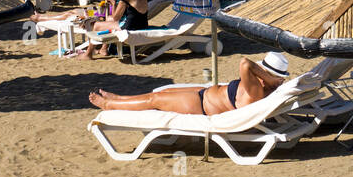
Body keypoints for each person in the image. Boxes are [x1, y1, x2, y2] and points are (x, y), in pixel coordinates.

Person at [89, 52, 289, 113]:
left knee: (155, 99)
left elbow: (244, 63)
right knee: (163, 92)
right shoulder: (260, 87)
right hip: (204, 93)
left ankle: (109, 105)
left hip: (201, 105)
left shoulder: (257, 91)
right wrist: (272, 79)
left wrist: (269, 78)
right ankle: (121, 98)